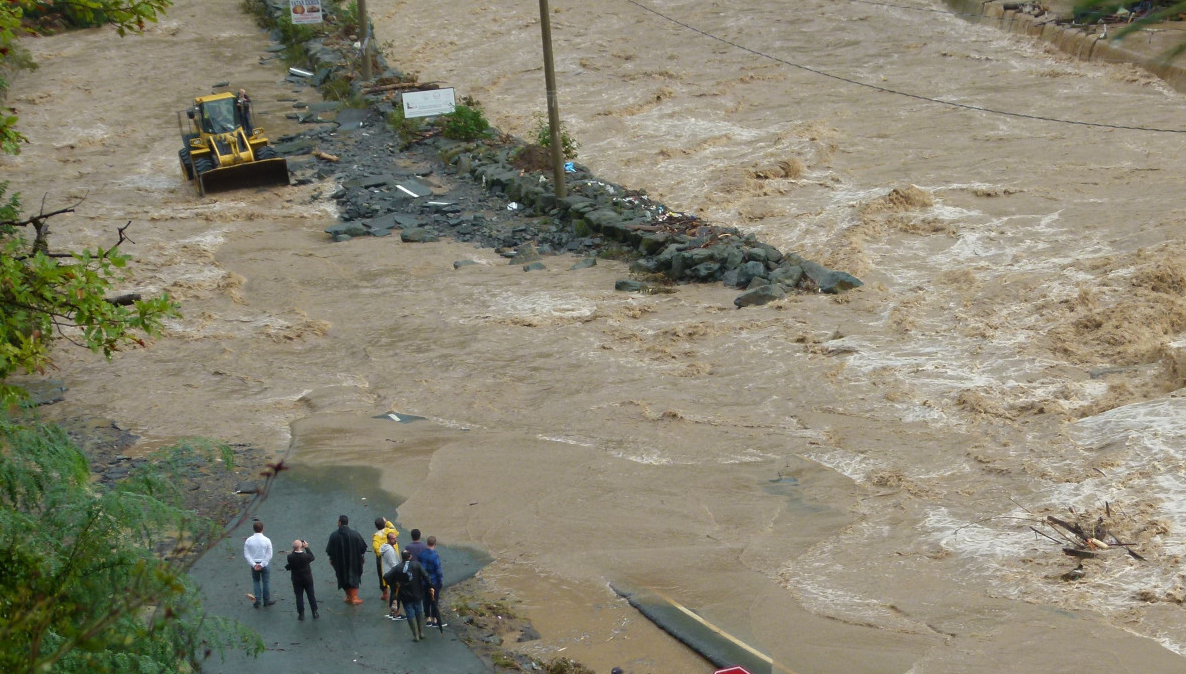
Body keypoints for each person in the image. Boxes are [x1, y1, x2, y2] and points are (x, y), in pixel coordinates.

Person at [384, 549, 432, 642]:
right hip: (417, 592)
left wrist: (394, 584)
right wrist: (430, 586)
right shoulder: (417, 565)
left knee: (410, 614)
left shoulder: (397, 567)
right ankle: (421, 632)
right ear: (410, 556)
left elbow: (386, 576)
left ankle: (415, 635)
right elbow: (425, 576)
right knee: (419, 611)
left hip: (405, 594)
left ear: (402, 557)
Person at [325, 514, 368, 605]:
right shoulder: (355, 534)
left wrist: (331, 559)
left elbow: (330, 550)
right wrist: (362, 557)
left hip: (339, 561)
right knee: (354, 576)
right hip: (355, 560)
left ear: (339, 522)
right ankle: (354, 597)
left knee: (342, 576)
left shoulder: (334, 535)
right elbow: (363, 547)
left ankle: (349, 596)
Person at [243, 520, 276, 608]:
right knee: (266, 581)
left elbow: (247, 554)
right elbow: (269, 554)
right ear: (262, 529)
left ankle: (257, 600)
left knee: (256, 581)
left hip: (254, 563)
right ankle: (266, 600)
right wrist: (262, 564)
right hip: (264, 564)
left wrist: (254, 564)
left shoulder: (248, 541)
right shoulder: (267, 540)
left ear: (254, 529)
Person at [284, 539, 319, 620]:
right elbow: (312, 557)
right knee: (311, 595)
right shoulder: (306, 556)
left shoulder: (290, 557)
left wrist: (296, 548)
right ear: (301, 546)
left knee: (299, 596)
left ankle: (301, 614)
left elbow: (292, 560)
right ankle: (314, 612)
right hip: (307, 579)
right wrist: (307, 547)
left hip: (296, 579)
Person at [418, 535, 445, 627]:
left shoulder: (421, 554)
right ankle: (435, 619)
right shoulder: (435, 556)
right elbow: (438, 569)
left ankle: (428, 618)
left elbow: (419, 567)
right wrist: (440, 581)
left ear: (427, 543)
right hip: (433, 581)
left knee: (425, 599)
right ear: (435, 544)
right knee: (434, 600)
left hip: (424, 581)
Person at [379, 531, 405, 620]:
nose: (395, 540)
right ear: (389, 539)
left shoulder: (386, 548)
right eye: (393, 538)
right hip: (393, 575)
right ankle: (396, 613)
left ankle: (392, 612)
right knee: (397, 593)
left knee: (394, 592)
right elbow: (394, 564)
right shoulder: (389, 550)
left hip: (388, 574)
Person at [372, 516, 399, 602]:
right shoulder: (390, 531)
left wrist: (382, 552)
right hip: (394, 555)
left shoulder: (376, 536)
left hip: (382, 559)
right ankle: (397, 591)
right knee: (397, 572)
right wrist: (387, 521)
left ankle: (385, 594)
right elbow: (394, 528)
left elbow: (376, 548)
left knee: (382, 575)